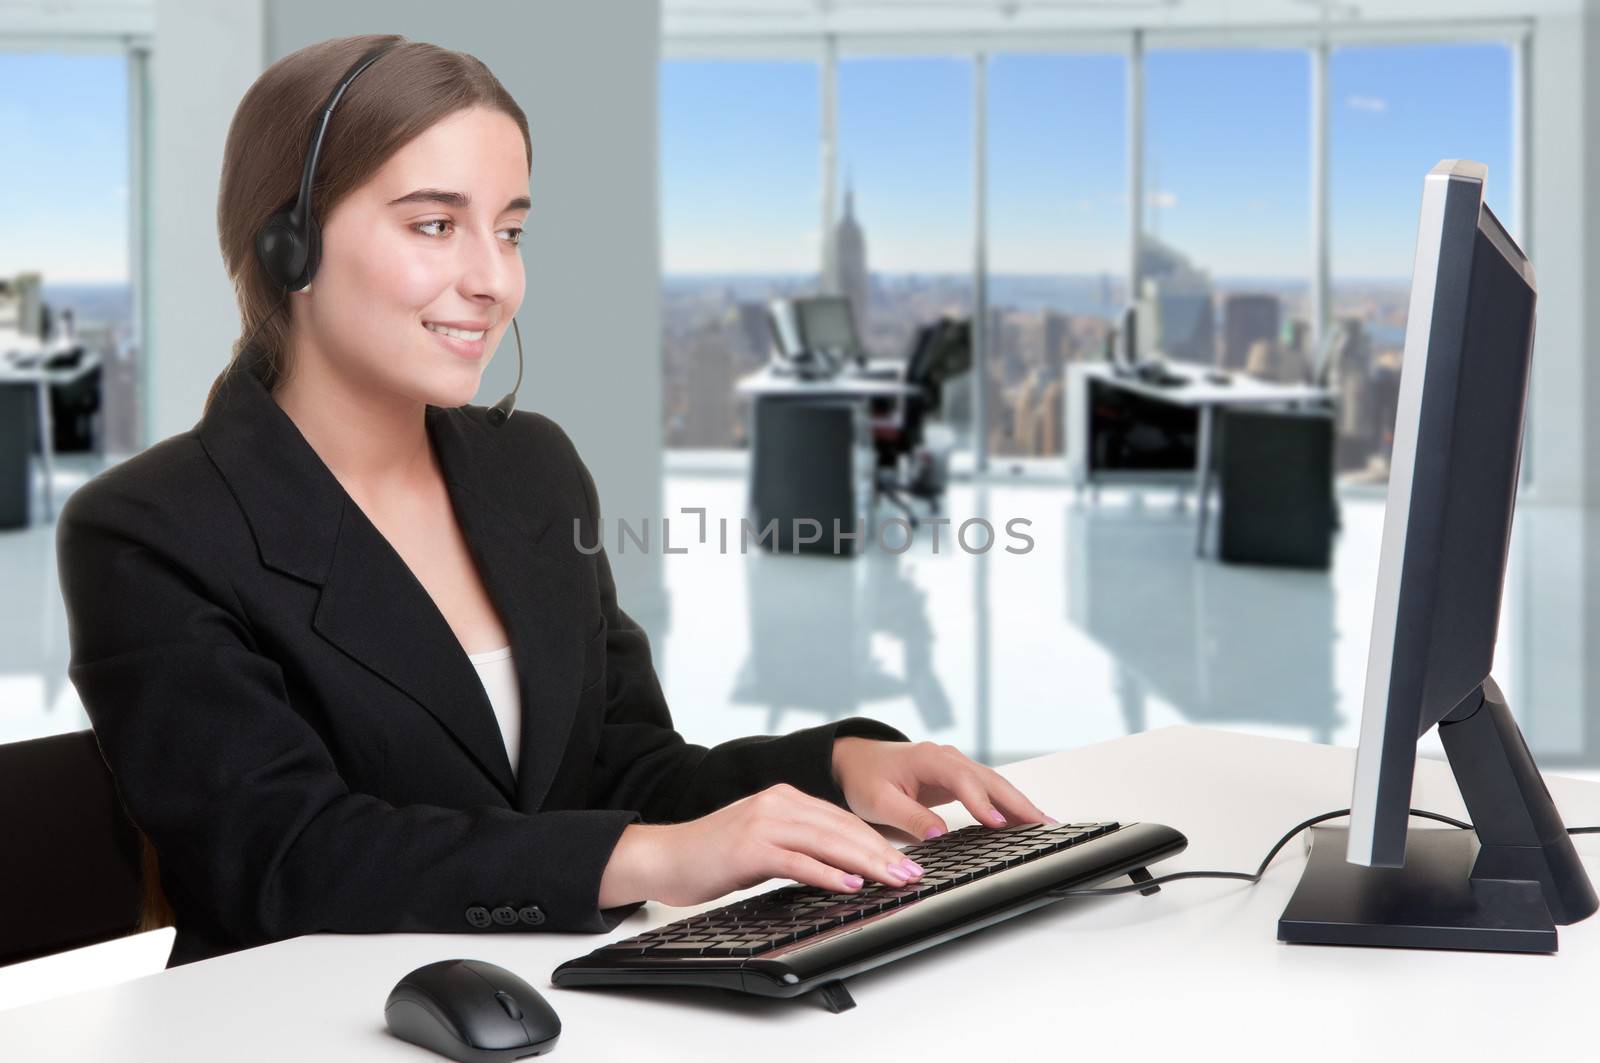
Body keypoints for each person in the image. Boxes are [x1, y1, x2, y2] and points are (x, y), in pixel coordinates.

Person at [54, 34, 1053, 969]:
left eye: (511, 230)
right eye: (435, 224)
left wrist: (833, 764)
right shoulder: (149, 529)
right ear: (289, 245)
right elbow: (289, 859)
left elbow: (630, 774)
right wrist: (653, 862)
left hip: (557, 1003)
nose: (493, 279)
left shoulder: (528, 467)